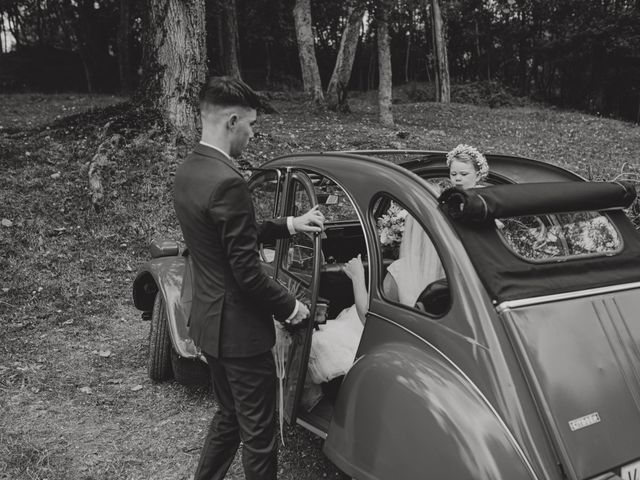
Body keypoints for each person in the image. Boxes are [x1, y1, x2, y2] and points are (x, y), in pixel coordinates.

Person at [173, 76, 324, 480]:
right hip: (241, 335)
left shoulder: (191, 170)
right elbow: (247, 272)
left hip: (209, 324)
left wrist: (291, 223)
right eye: (252, 125)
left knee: (229, 416)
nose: (253, 134)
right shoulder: (228, 182)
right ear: (232, 120)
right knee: (259, 436)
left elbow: (228, 238)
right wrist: (292, 307)